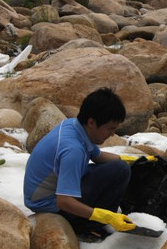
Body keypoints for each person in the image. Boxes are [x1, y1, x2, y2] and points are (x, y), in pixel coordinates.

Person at [23, 87, 143, 240]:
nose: (112, 134)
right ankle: (90, 226)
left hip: (47, 190)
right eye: (110, 129)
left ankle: (95, 218)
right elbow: (64, 201)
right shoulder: (73, 150)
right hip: (49, 204)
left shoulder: (74, 125)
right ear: (92, 122)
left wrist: (133, 161)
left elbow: (97, 156)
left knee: (119, 167)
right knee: (120, 171)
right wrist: (103, 216)